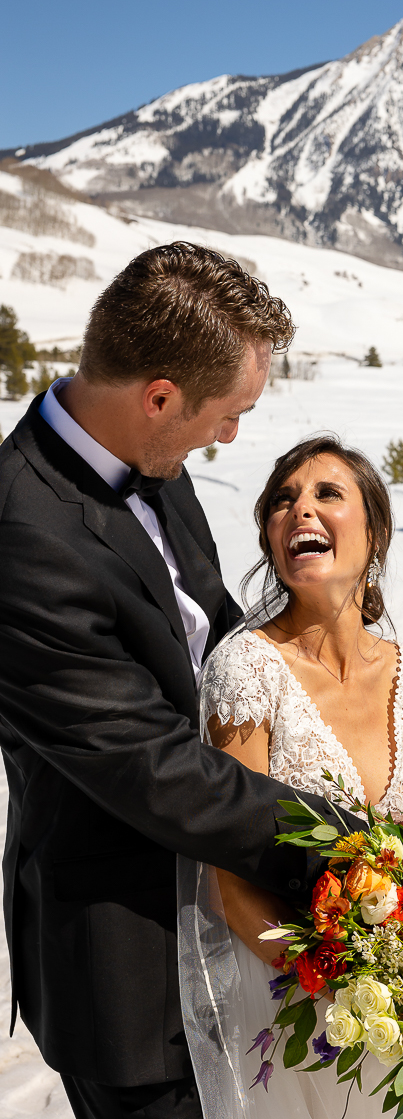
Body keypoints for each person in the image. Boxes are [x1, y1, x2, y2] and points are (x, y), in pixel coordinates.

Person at [0, 244, 363, 1119]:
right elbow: (149, 765)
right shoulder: (21, 536)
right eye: (227, 415)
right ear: (159, 395)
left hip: (235, 926)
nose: (229, 437)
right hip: (131, 971)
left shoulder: (157, 463)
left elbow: (218, 640)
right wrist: (345, 842)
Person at [183, 434, 403, 1119]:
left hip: (400, 1001)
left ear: (375, 530)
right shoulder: (247, 670)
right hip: (294, 1008)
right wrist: (344, 995)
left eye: (328, 493)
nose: (301, 510)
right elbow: (228, 886)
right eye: (283, 501)